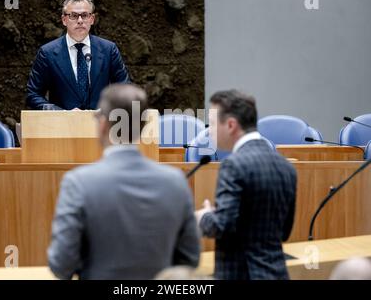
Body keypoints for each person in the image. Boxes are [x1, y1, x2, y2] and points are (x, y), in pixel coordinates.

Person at [47, 83, 200, 279]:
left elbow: (61, 265)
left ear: (102, 124)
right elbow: (190, 260)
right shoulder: (176, 181)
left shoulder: (78, 183)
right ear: (143, 125)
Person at [195, 89, 297, 280]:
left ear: (231, 125)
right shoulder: (286, 167)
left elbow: (222, 226)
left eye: (214, 123)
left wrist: (204, 217)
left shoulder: (233, 165)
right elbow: (284, 232)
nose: (209, 130)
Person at [26, 0, 130, 110]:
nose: (80, 20)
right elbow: (32, 94)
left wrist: (108, 110)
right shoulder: (47, 53)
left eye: (84, 15)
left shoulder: (109, 50)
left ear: (92, 19)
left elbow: (125, 89)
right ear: (64, 20)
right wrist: (60, 113)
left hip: (101, 124)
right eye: (74, 16)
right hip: (62, 125)